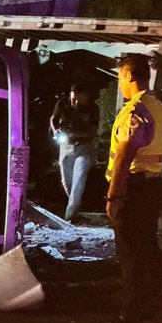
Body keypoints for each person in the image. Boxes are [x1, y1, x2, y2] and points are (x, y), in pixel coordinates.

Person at [104, 54, 162, 323]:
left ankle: (130, 312)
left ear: (130, 76)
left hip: (132, 188)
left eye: (120, 77)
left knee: (129, 253)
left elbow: (123, 155)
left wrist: (113, 196)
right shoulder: (160, 108)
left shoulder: (136, 110)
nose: (119, 83)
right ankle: (152, 304)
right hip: (152, 187)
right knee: (148, 248)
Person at [50, 81, 99, 224]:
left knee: (78, 180)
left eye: (79, 99)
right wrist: (55, 131)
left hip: (85, 147)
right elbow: (53, 119)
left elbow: (92, 131)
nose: (76, 102)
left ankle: (69, 216)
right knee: (66, 181)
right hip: (66, 146)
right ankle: (77, 207)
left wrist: (75, 135)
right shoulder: (62, 104)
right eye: (73, 99)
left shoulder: (93, 108)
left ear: (87, 98)